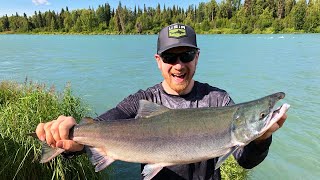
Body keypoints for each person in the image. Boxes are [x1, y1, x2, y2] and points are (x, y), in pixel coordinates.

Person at [36, 23, 287, 180]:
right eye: (170, 57)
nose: (178, 65)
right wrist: (70, 136)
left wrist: (262, 136)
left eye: (186, 55)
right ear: (158, 60)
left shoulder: (219, 101)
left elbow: (245, 160)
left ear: (197, 58)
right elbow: (100, 126)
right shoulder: (141, 100)